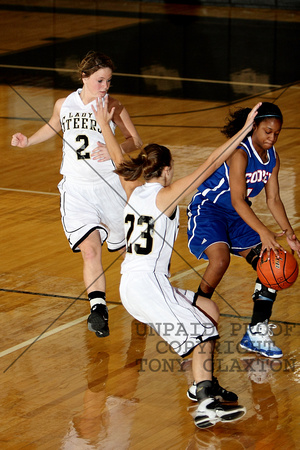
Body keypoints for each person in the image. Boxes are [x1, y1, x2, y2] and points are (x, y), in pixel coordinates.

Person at [91, 96, 261, 428]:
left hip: (137, 285)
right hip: (148, 286)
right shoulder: (165, 195)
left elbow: (115, 156)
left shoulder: (133, 189)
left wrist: (102, 125)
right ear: (167, 170)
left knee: (208, 312)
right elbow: (212, 162)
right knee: (198, 333)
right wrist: (244, 131)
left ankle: (203, 386)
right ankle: (205, 403)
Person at [11, 50, 143, 338]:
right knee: (89, 250)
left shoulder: (114, 105)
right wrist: (28, 140)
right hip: (76, 189)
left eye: (109, 80)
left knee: (125, 253)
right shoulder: (64, 104)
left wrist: (115, 150)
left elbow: (136, 140)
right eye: (100, 80)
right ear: (84, 77)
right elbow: (53, 125)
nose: (105, 86)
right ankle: (98, 309)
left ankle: (142, 298)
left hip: (109, 187)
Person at [187, 102, 300, 359]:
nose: (272, 138)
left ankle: (257, 331)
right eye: (267, 131)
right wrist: (263, 231)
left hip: (238, 216)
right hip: (210, 210)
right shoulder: (239, 153)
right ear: (254, 128)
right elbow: (237, 199)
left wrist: (289, 235)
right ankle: (195, 315)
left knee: (272, 260)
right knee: (220, 260)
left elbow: (274, 200)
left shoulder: (273, 158)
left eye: (276, 133)